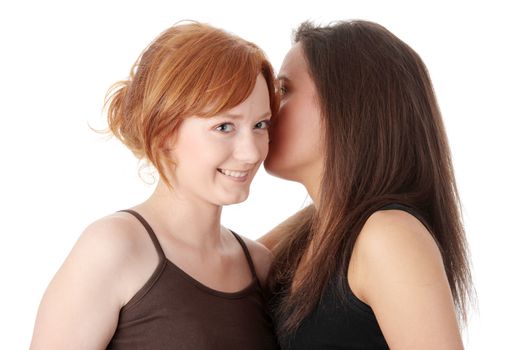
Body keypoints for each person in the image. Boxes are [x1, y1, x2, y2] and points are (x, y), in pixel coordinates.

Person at [29, 22, 280, 350]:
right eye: (224, 126)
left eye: (260, 124)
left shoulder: (260, 266)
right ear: (164, 132)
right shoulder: (114, 248)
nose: (251, 152)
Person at [260, 20, 474, 349]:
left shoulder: (387, 235)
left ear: (345, 105)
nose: (268, 108)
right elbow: (199, 270)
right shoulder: (307, 233)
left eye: (284, 90)